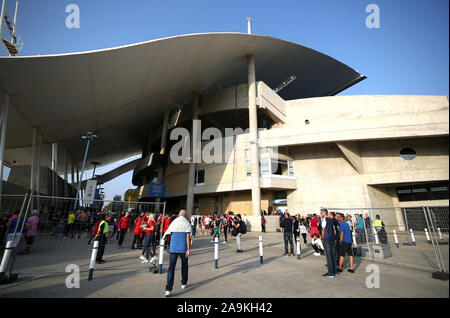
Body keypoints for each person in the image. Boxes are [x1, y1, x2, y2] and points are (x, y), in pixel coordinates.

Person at [164, 209, 192, 297]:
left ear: (179, 214)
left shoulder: (174, 222)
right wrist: (188, 248)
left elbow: (168, 233)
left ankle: (168, 289)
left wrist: (168, 243)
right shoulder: (186, 222)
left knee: (171, 268)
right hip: (183, 248)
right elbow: (188, 237)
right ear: (184, 215)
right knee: (184, 265)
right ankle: (184, 283)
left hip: (173, 248)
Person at [321, 209, 339, 278]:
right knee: (333, 255)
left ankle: (330, 272)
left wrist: (322, 238)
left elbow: (323, 230)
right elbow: (334, 231)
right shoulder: (331, 220)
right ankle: (335, 271)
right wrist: (333, 237)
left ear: (324, 214)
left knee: (329, 256)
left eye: (322, 213)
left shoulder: (324, 220)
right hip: (332, 239)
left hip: (327, 239)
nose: (321, 214)